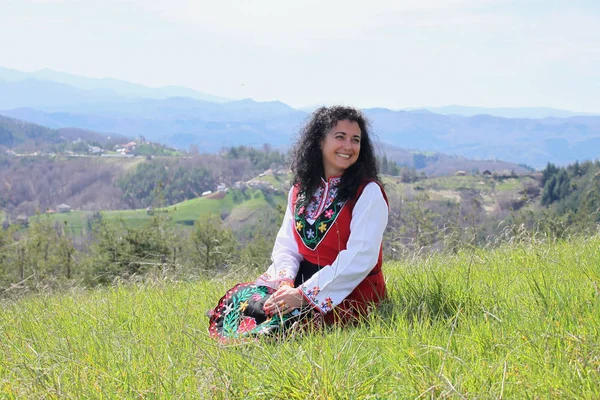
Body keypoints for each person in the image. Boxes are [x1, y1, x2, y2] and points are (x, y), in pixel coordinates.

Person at [208, 106, 388, 339]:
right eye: (340, 137)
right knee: (245, 305)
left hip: (350, 287)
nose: (348, 146)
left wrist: (303, 295)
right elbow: (288, 245)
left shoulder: (368, 192)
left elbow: (361, 257)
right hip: (300, 279)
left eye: (356, 140)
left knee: (286, 325)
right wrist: (285, 284)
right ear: (320, 141)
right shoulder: (300, 191)